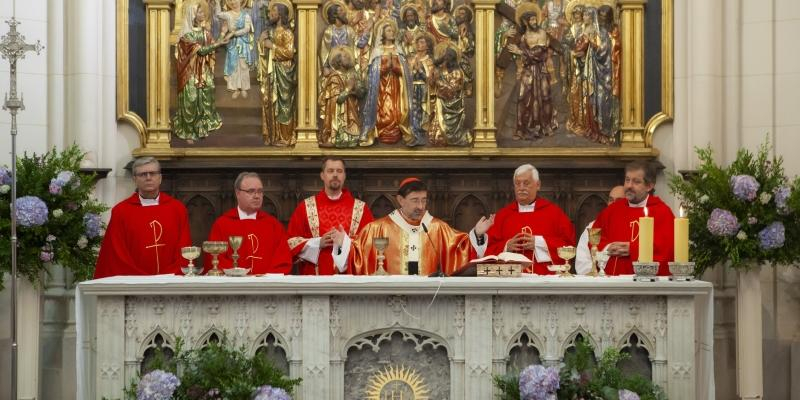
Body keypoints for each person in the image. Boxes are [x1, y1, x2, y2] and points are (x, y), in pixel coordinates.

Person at [336, 178, 494, 275]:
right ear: (400, 200)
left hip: (428, 300)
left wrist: (477, 235)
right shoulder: (378, 228)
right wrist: (343, 244)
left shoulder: (437, 228)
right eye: (415, 200)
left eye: (424, 200)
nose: (420, 206)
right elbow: (356, 255)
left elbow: (461, 249)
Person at [94, 158, 191, 278]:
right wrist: (139, 277)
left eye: (153, 173)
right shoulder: (121, 211)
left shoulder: (177, 209)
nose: (148, 177)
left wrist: (170, 274)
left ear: (160, 178)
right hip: (134, 281)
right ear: (135, 179)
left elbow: (184, 247)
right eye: (143, 174)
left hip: (171, 280)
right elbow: (116, 252)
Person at [287, 158, 374, 275]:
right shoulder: (305, 207)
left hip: (350, 280)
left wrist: (345, 241)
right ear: (322, 175)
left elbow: (370, 246)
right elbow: (291, 243)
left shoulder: (361, 209)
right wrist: (318, 243)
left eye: (339, 171)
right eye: (330, 171)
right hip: (315, 279)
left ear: (344, 176)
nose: (335, 175)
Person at [485, 164, 576, 275]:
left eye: (526, 183)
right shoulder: (503, 215)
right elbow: (487, 251)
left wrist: (540, 243)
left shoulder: (554, 213)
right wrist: (506, 246)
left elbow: (568, 247)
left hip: (544, 280)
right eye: (517, 184)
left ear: (538, 185)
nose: (521, 187)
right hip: (510, 280)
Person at [593, 161, 675, 276]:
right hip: (612, 281)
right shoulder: (612, 210)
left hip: (645, 284)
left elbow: (667, 250)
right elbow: (594, 239)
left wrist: (633, 249)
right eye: (627, 180)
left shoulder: (662, 212)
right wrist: (608, 248)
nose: (629, 186)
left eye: (636, 182)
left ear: (649, 186)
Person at [205, 172, 292, 274]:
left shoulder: (274, 225)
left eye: (260, 191)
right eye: (251, 191)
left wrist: (264, 281)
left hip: (267, 287)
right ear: (238, 193)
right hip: (233, 287)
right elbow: (215, 260)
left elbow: (283, 260)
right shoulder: (222, 224)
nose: (257, 196)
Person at [172, 1, 226, 143]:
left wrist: (223, 33)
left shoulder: (205, 32)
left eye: (203, 12)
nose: (203, 14)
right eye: (200, 12)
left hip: (203, 71)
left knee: (207, 94)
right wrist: (218, 43)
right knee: (191, 99)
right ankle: (189, 131)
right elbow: (202, 51)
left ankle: (202, 126)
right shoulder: (186, 36)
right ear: (192, 15)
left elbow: (213, 45)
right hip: (189, 72)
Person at [508, 6, 559, 139]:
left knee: (545, 97)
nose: (535, 21)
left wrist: (521, 52)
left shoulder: (541, 33)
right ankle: (522, 128)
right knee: (523, 98)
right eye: (532, 19)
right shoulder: (523, 36)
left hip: (541, 69)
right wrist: (505, 35)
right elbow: (508, 48)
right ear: (525, 22)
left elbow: (540, 52)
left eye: (535, 18)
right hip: (528, 71)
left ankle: (545, 125)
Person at [257, 0, 297, 146]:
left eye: (272, 12)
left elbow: (290, 53)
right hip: (272, 72)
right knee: (272, 103)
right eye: (269, 12)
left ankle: (286, 137)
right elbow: (263, 51)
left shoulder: (287, 32)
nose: (270, 14)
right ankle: (274, 135)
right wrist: (261, 43)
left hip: (284, 72)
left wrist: (271, 46)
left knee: (284, 103)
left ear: (280, 14)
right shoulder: (271, 31)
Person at [574, 185, 624, 275]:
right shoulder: (593, 226)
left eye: (619, 200)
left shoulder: (633, 225)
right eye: (611, 200)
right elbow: (582, 261)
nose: (612, 204)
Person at [217, 0, 255, 99]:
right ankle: (235, 88)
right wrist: (222, 36)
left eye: (235, 0)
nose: (233, 2)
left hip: (242, 43)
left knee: (243, 65)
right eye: (231, 0)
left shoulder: (246, 15)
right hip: (232, 44)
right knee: (233, 65)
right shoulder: (228, 15)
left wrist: (234, 33)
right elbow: (219, 17)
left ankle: (244, 87)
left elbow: (246, 29)